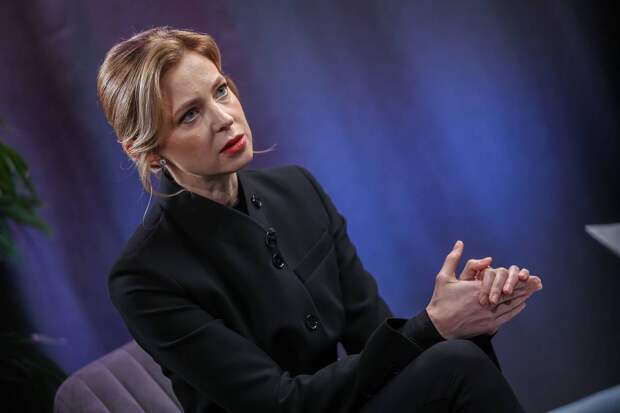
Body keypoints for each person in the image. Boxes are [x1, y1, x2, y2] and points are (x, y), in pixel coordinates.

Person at [98, 27, 543, 413]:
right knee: (453, 362)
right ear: (148, 152)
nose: (225, 118)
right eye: (190, 115)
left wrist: (466, 318)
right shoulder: (144, 276)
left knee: (456, 356)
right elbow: (280, 405)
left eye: (221, 91)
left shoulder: (299, 190)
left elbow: (375, 344)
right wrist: (434, 327)